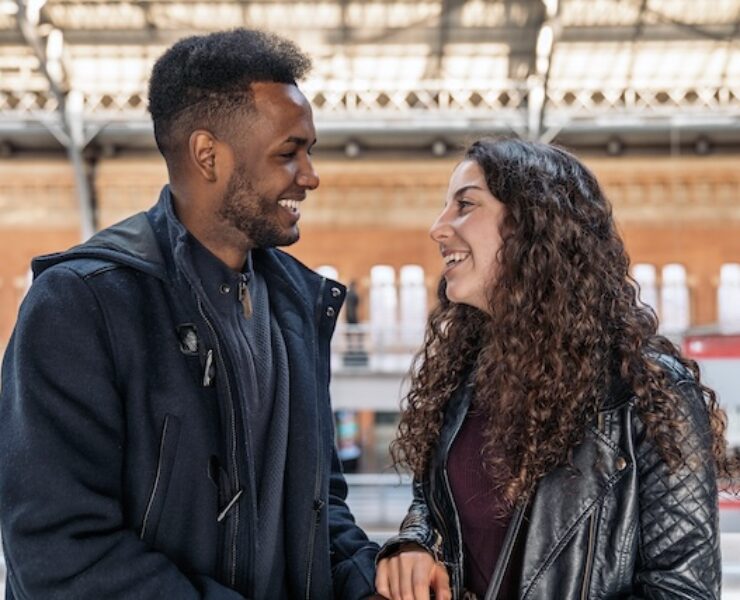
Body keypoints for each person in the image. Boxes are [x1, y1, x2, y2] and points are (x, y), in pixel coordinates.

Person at [0, 29, 380, 599]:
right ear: (208, 155)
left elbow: (319, 506)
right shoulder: (83, 304)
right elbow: (58, 550)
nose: (310, 174)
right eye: (288, 152)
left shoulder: (298, 308)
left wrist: (371, 578)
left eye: (310, 150)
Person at [374, 137, 736, 600]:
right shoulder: (464, 378)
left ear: (532, 225)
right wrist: (415, 543)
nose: (438, 228)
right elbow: (436, 505)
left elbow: (682, 590)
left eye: (465, 205)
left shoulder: (646, 391)